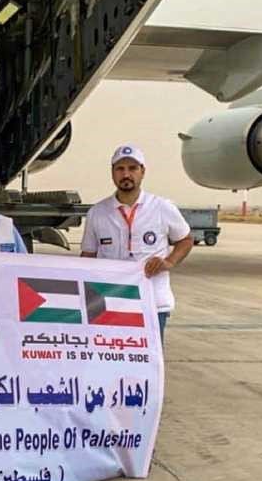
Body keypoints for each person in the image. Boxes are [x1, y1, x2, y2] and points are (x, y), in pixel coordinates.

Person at [80, 144, 193, 340]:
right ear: (112, 172)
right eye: (120, 168)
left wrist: (169, 262)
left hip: (152, 304)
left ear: (143, 171)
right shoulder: (97, 213)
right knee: (109, 356)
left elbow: (185, 239)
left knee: (149, 358)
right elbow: (87, 256)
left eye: (132, 168)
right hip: (109, 304)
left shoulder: (162, 207)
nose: (126, 174)